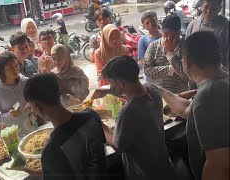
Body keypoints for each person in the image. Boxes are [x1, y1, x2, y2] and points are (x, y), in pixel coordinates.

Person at [158, 31, 229, 180]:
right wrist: (160, 91)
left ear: (187, 61)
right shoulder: (220, 82)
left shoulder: (208, 95)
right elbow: (187, 110)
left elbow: (220, 165)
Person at [91, 56, 177, 180]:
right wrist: (109, 92)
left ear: (120, 83)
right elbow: (137, 100)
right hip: (165, 168)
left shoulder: (126, 113)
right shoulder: (153, 91)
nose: (112, 87)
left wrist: (99, 122)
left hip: (144, 174)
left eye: (112, 84)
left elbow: (117, 145)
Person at [23, 73, 107, 180]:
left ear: (38, 107)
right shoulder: (91, 116)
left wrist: (43, 174)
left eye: (31, 106)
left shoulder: (51, 153)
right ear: (58, 93)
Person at [0, 51, 37, 137]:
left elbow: (35, 95)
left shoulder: (24, 81)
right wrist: (9, 115)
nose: (15, 69)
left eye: (16, 65)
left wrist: (31, 102)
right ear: (1, 70)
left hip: (31, 125)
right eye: (10, 68)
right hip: (14, 134)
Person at [186, 0, 229, 89]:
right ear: (201, 6)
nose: (209, 11)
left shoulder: (226, 26)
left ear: (219, 9)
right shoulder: (193, 25)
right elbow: (186, 50)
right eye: (206, 7)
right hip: (196, 76)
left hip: (217, 77)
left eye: (214, 8)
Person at [144, 15, 188, 94]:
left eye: (173, 34)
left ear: (179, 32)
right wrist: (170, 69)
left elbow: (186, 74)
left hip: (179, 95)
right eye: (166, 33)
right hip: (157, 94)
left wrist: (170, 53)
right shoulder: (153, 46)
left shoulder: (186, 46)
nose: (169, 37)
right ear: (162, 31)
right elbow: (147, 71)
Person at [138, 11, 162, 83]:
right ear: (143, 26)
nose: (151, 24)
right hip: (151, 76)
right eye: (147, 23)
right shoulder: (143, 40)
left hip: (166, 73)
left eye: (152, 21)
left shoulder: (165, 36)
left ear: (156, 20)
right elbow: (142, 60)